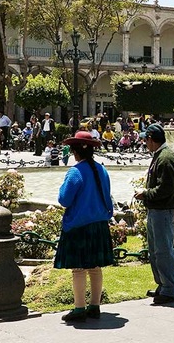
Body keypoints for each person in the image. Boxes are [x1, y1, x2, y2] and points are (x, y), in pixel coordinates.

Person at [53, 130, 115, 322]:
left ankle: (79, 308)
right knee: (95, 267)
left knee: (78, 269)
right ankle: (94, 306)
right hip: (99, 225)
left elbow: (64, 199)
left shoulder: (75, 172)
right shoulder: (102, 169)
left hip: (79, 226)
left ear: (75, 151)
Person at [134, 123, 174, 305]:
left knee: (163, 251)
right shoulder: (161, 155)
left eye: (145, 140)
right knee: (156, 251)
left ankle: (169, 290)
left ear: (151, 139)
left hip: (162, 211)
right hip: (158, 210)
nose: (144, 143)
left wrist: (146, 194)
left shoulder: (165, 158)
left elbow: (166, 188)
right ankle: (163, 285)